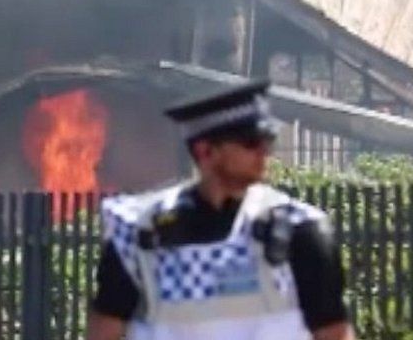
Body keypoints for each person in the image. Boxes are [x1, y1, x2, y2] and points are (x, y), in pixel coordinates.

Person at [85, 80, 355, 340]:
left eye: (267, 141)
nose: (263, 153)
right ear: (205, 152)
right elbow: (104, 331)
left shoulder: (301, 231)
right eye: (250, 143)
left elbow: (334, 333)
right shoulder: (139, 232)